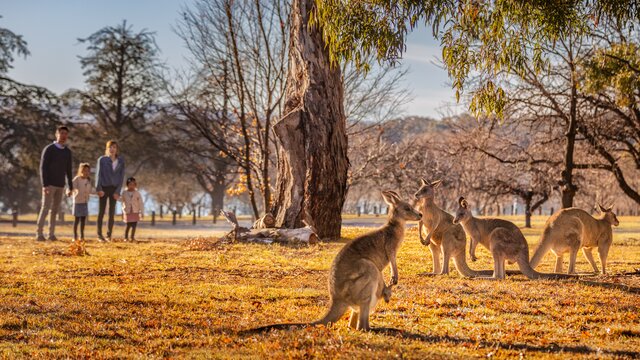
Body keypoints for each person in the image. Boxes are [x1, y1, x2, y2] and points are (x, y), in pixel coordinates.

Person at [36, 126, 73, 241]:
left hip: (60, 185)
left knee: (55, 210)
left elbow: (68, 170)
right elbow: (43, 168)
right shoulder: (49, 149)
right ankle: (39, 233)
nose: (63, 136)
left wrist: (70, 186)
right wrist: (45, 185)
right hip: (49, 185)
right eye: (61, 133)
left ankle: (51, 234)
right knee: (45, 208)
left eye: (65, 134)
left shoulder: (67, 152)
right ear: (56, 134)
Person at [95, 140, 125, 242]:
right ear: (107, 149)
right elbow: (98, 175)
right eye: (110, 147)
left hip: (114, 189)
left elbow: (121, 177)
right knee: (101, 212)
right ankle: (99, 235)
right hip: (103, 188)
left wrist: (118, 191)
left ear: (117, 149)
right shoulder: (102, 160)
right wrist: (98, 188)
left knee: (112, 213)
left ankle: (109, 235)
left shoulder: (121, 161)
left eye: (114, 147)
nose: (112, 149)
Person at [71, 163, 92, 242]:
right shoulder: (76, 179)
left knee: (83, 220)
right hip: (77, 202)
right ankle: (75, 236)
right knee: (76, 220)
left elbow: (90, 190)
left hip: (85, 202)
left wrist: (97, 193)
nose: (86, 172)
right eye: (84, 170)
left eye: (87, 171)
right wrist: (72, 192)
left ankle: (82, 236)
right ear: (80, 171)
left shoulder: (88, 180)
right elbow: (71, 188)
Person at [121, 177, 143, 241]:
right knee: (128, 225)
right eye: (130, 184)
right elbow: (121, 200)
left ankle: (132, 237)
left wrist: (142, 211)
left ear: (135, 185)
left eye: (133, 184)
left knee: (134, 225)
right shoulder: (124, 193)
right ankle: (126, 237)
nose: (132, 186)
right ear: (127, 185)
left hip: (135, 211)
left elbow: (141, 203)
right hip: (128, 211)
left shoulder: (137, 193)